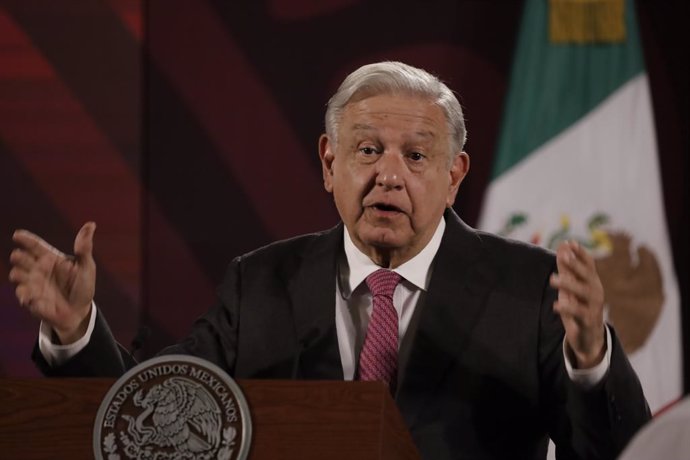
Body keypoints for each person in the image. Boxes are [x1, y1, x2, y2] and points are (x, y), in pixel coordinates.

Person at [9, 61, 650, 459]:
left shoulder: (527, 287)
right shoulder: (259, 283)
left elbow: (616, 453)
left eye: (416, 156)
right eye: (367, 150)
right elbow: (159, 416)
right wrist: (76, 331)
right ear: (328, 164)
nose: (389, 176)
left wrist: (591, 360)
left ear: (455, 176)